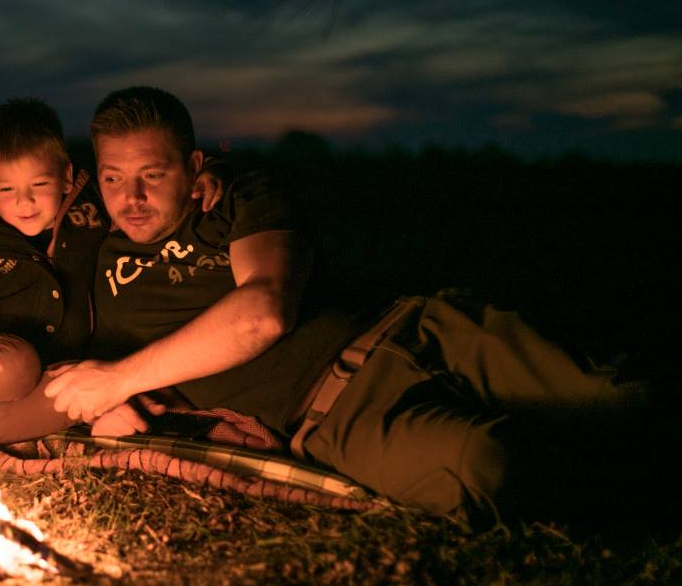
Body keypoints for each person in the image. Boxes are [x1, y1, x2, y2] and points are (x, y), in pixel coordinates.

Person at [41, 86, 651, 520]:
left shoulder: (238, 197)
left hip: (411, 326)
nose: (133, 195)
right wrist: (101, 402)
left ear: (194, 165)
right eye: (115, 176)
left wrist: (118, 379)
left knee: (618, 393)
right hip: (334, 412)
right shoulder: (88, 261)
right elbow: (47, 353)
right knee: (490, 468)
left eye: (154, 173)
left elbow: (263, 313)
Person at [0, 97, 223, 428]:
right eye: (8, 188)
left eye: (39, 184)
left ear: (66, 177)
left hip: (59, 370)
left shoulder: (93, 213)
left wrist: (203, 174)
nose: (25, 201)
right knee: (17, 365)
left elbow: (146, 189)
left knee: (82, 395)